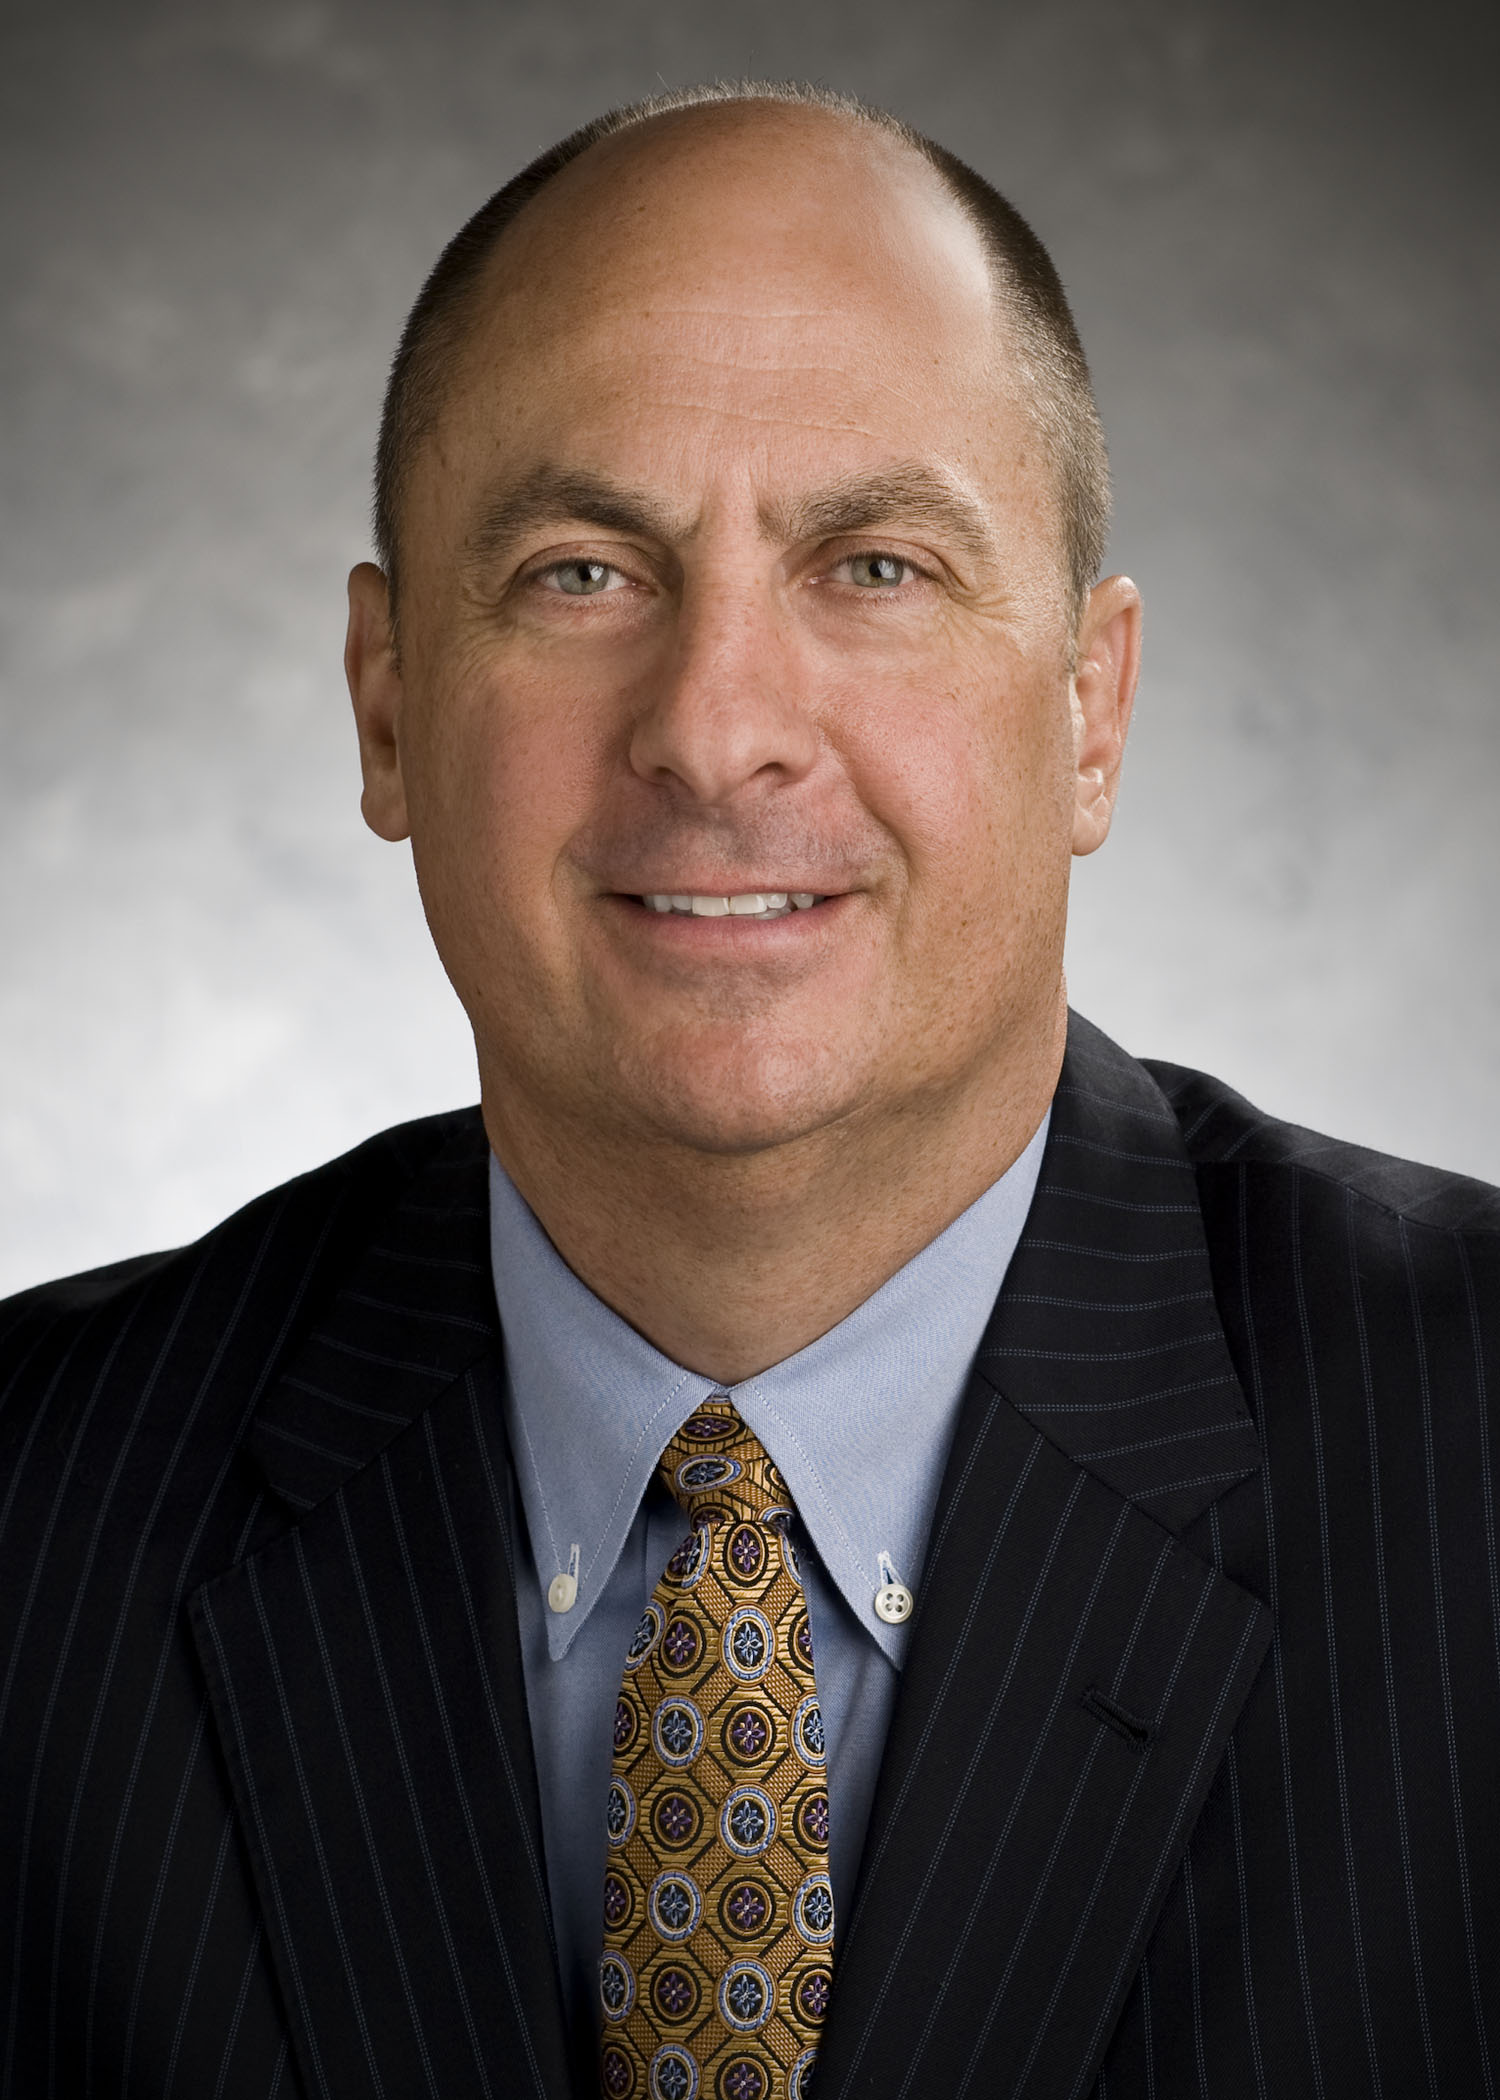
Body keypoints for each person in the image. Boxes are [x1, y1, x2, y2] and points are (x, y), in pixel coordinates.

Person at [2, 80, 1496, 2100]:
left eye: (874, 566)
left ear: (1090, 711)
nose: (714, 732)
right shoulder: (34, 1525)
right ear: (388, 703)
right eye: (580, 573)